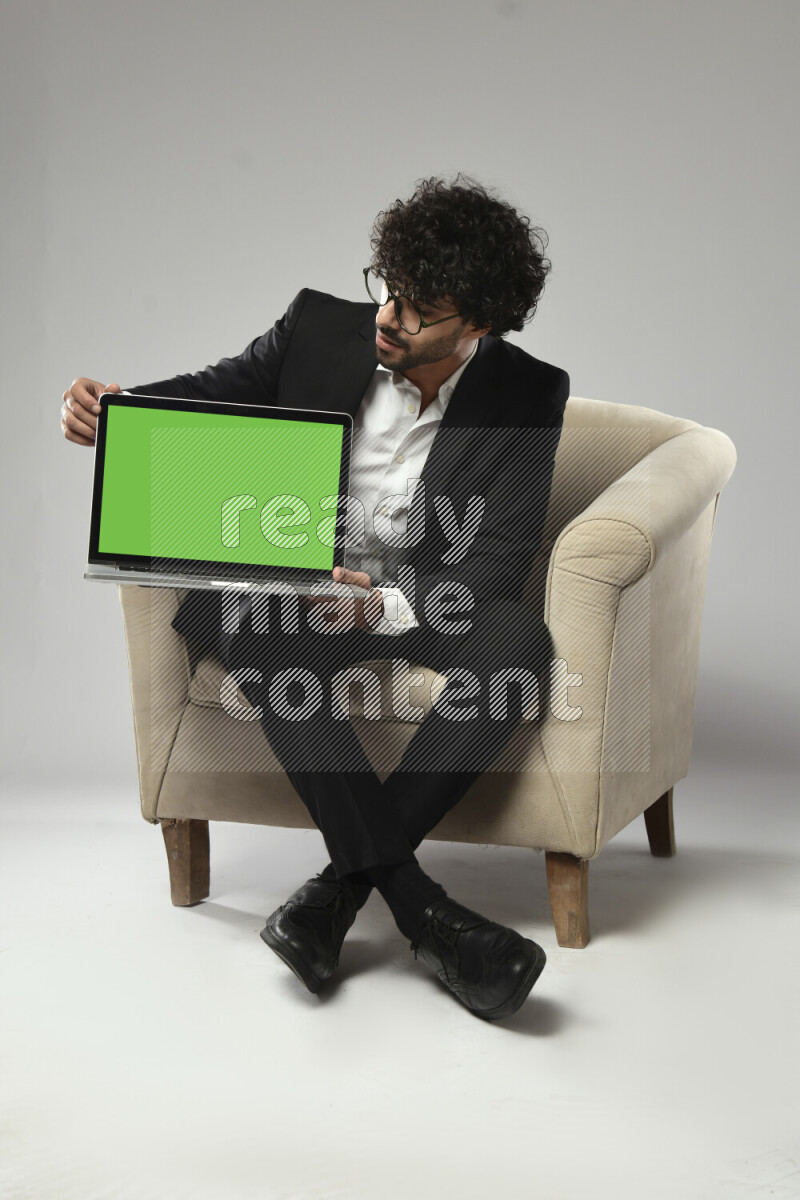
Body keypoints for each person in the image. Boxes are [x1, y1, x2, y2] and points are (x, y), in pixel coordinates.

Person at [61, 176, 569, 1022]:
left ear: (477, 323)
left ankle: (334, 895)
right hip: (294, 592)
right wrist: (112, 411)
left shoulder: (527, 392)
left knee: (518, 643)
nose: (389, 315)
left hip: (414, 601)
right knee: (259, 625)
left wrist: (382, 606)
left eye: (419, 309)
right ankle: (425, 915)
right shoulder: (317, 325)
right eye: (388, 288)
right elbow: (208, 395)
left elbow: (501, 560)